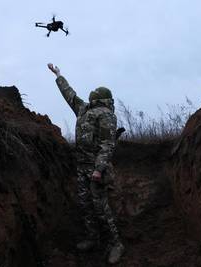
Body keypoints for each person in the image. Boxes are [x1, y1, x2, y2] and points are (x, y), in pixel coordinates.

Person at [47, 63, 125, 264]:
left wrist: (99, 169)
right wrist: (58, 75)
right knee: (85, 205)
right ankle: (93, 238)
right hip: (81, 167)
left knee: (101, 207)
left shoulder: (106, 114)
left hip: (95, 170)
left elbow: (108, 145)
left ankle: (116, 243)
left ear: (101, 98)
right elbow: (69, 95)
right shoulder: (83, 109)